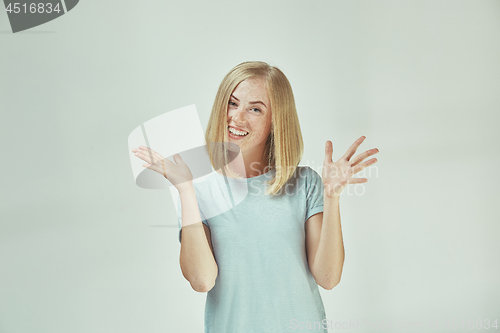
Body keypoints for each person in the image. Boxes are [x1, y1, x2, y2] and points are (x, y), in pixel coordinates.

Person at [131, 61, 379, 332]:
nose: (236, 118)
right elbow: (202, 280)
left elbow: (328, 277)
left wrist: (331, 197)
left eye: (255, 109)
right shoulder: (198, 188)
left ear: (276, 122)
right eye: (232, 103)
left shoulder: (305, 183)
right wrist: (185, 189)